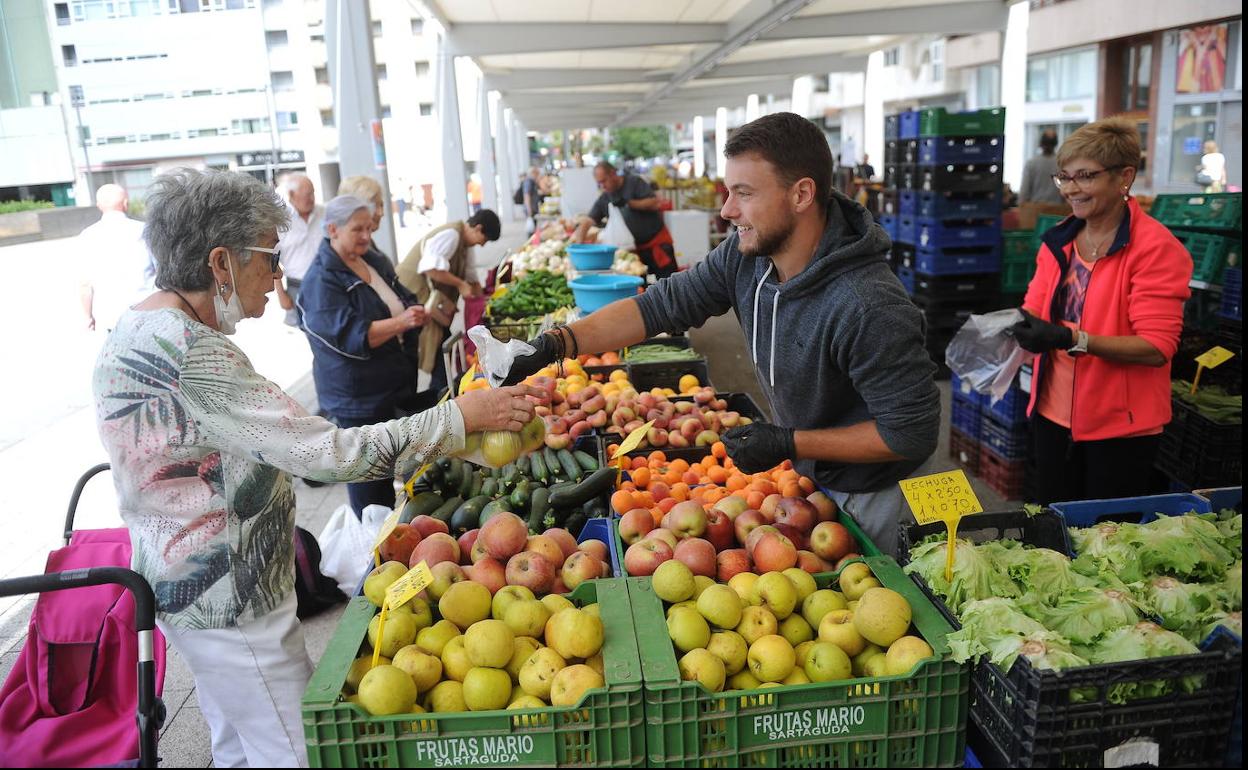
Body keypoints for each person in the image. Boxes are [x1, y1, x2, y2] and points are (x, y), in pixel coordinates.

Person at [92, 168, 537, 768]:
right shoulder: (190, 352)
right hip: (230, 599)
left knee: (241, 747)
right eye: (269, 259)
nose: (279, 277)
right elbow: (327, 454)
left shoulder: (142, 325)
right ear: (220, 262)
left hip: (190, 587)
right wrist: (457, 419)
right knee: (298, 752)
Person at [506, 113, 940, 553]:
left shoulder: (867, 304)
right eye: (729, 191)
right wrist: (556, 344)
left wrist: (790, 441)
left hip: (878, 495)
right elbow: (659, 305)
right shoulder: (746, 255)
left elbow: (909, 433)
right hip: (812, 479)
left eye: (744, 194)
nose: (726, 210)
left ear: (802, 194)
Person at [1009, 117, 1191, 505]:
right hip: (1052, 415)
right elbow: (1034, 311)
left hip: (1120, 429)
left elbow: (1156, 346)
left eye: (1085, 176)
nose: (1071, 189)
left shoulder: (1155, 249)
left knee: (1106, 546)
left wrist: (1073, 339)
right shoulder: (1058, 241)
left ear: (1124, 177)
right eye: (1065, 177)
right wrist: (1007, 328)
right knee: (1053, 530)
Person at [297, 196, 428, 518]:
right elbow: (350, 335)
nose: (367, 236)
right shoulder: (321, 280)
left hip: (390, 384)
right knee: (368, 480)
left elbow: (399, 292)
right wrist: (402, 322)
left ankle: (391, 529)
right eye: (358, 229)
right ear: (332, 229)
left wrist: (413, 308)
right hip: (358, 398)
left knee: (388, 465)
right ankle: (371, 542)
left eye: (369, 228)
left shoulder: (370, 259)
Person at [396, 209, 500, 409]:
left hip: (431, 304)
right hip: (414, 296)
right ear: (478, 228)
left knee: (442, 347)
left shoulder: (465, 244)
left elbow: (471, 277)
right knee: (434, 349)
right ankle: (437, 405)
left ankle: (440, 400)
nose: (482, 244)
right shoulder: (452, 235)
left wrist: (484, 300)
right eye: (484, 239)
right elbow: (430, 268)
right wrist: (460, 284)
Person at [572, 161, 678, 278]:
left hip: (657, 246)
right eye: (599, 184)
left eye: (604, 181)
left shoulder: (634, 182)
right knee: (645, 288)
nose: (603, 186)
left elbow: (654, 203)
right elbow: (587, 221)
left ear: (613, 174)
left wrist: (629, 203)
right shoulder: (606, 197)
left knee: (669, 284)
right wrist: (578, 249)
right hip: (634, 253)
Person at [78, 183, 155, 332]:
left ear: (99, 205)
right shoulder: (144, 230)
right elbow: (162, 270)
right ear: (126, 203)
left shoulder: (88, 235)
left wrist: (88, 316)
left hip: (111, 317)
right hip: (148, 312)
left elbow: (85, 285)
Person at [272, 174, 323, 328]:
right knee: (308, 329)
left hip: (327, 281)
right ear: (292, 195)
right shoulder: (282, 222)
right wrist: (281, 295)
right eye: (307, 195)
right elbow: (272, 261)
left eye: (313, 193)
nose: (311, 198)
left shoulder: (324, 213)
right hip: (298, 286)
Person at [1019, 130, 1066, 205]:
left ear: (1041, 143)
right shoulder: (1061, 164)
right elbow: (1065, 191)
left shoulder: (1031, 164)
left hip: (1035, 210)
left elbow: (1024, 193)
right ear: (1056, 144)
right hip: (1057, 211)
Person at [522, 167, 541, 234]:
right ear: (533, 173)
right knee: (531, 228)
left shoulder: (532, 181)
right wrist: (529, 210)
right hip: (530, 209)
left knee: (533, 226)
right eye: (537, 174)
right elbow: (526, 196)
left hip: (533, 208)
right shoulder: (529, 181)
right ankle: (532, 241)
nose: (538, 175)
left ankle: (533, 240)